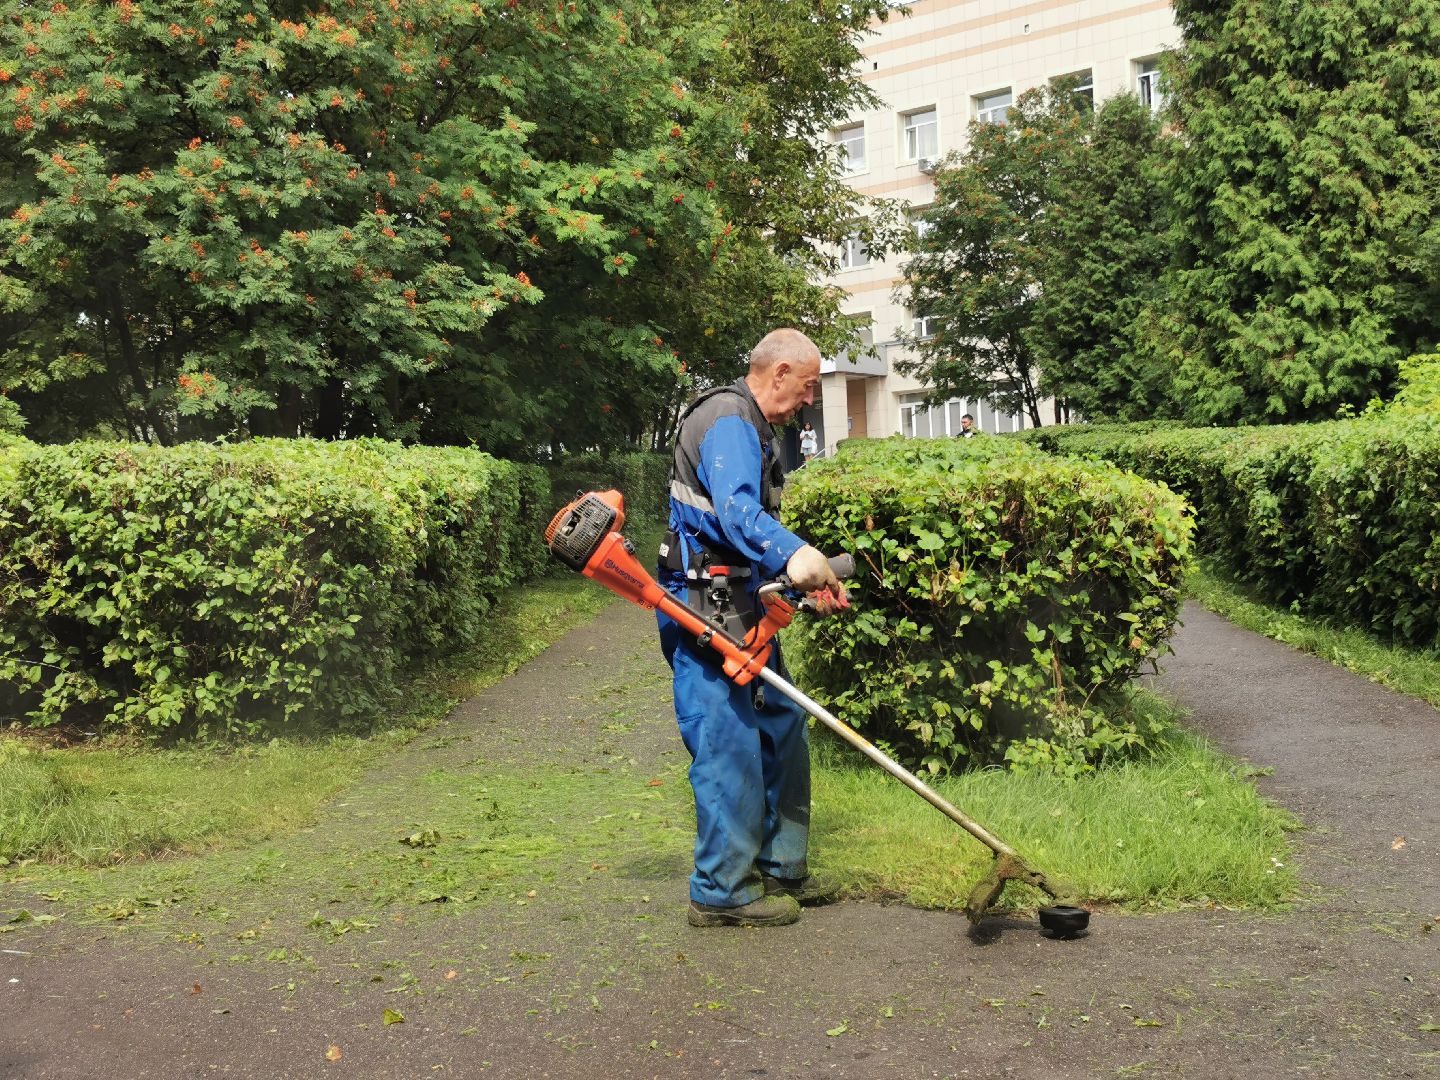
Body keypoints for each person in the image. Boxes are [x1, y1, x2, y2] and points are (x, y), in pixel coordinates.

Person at [657, 328, 842, 929]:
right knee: (728, 741)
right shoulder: (728, 417)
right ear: (781, 371)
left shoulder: (760, 430)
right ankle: (719, 892)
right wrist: (793, 555)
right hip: (702, 607)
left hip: (742, 603)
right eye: (809, 386)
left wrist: (812, 581)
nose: (810, 400)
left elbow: (743, 532)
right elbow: (737, 511)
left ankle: (781, 865)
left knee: (781, 726)